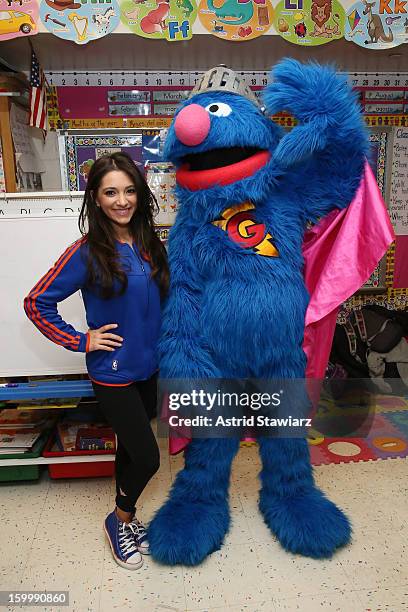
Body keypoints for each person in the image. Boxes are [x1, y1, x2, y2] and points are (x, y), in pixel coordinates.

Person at [24, 152, 169, 570]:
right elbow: (37, 303)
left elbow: (163, 302)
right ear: (96, 198)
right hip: (114, 373)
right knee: (148, 458)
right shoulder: (86, 252)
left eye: (129, 191)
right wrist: (80, 339)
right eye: (111, 192)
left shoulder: (149, 244)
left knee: (130, 448)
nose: (122, 200)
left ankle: (129, 515)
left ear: (139, 195)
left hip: (151, 368)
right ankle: (118, 519)